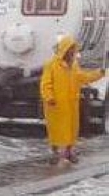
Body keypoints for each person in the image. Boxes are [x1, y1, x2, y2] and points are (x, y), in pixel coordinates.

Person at [40, 35, 105, 164]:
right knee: (56, 129)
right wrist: (49, 97)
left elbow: (84, 77)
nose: (72, 52)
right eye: (70, 49)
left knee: (71, 129)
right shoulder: (51, 65)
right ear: (64, 49)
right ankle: (55, 153)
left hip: (71, 104)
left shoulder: (74, 66)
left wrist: (99, 73)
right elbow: (45, 84)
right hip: (56, 105)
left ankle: (69, 152)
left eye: (73, 49)